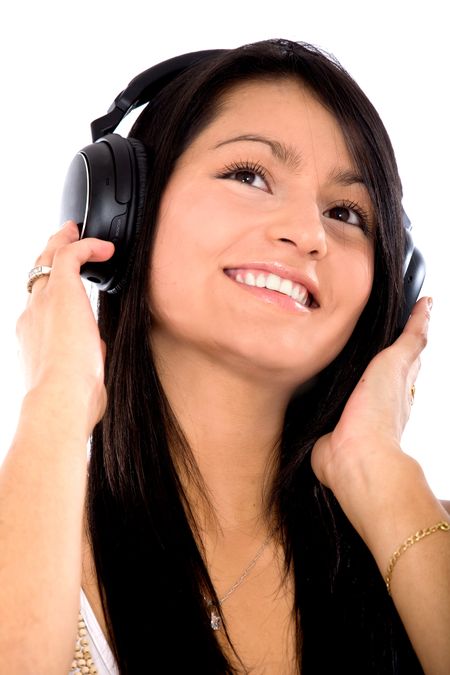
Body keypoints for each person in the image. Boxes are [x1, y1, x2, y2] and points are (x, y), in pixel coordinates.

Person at [1, 38, 449, 675]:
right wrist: (55, 401)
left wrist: (379, 471)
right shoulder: (21, 528)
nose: (310, 233)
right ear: (121, 214)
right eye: (249, 176)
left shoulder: (421, 540)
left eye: (346, 212)